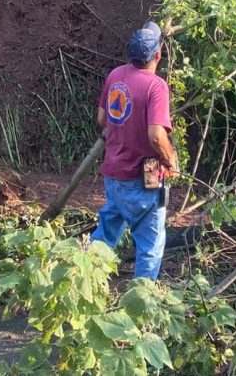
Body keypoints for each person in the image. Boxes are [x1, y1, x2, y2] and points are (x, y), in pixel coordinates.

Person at [89, 21, 178, 280]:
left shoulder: (115, 76)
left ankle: (84, 283)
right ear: (158, 55)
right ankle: (141, 305)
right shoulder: (156, 86)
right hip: (141, 181)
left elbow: (102, 119)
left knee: (105, 236)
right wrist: (171, 159)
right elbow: (156, 135)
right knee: (150, 244)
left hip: (113, 176)